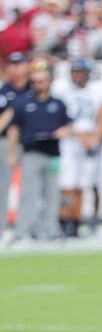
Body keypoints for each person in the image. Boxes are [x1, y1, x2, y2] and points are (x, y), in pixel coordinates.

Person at [7, 61, 71, 244]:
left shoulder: (58, 104)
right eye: (35, 82)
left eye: (42, 81)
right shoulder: (23, 104)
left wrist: (64, 132)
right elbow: (14, 129)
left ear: (49, 81)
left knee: (52, 193)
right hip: (31, 153)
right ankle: (23, 230)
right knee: (29, 193)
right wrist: (12, 152)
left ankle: (50, 229)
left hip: (53, 153)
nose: (38, 85)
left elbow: (67, 126)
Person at [54, 58, 102, 238]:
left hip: (89, 143)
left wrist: (95, 138)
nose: (77, 76)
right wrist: (76, 135)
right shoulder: (62, 91)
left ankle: (78, 221)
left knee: (84, 183)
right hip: (70, 142)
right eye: (75, 72)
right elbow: (60, 121)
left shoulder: (97, 92)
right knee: (67, 183)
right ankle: (64, 221)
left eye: (80, 72)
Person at [0, 52, 30, 240]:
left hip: (30, 142)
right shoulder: (4, 91)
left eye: (19, 64)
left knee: (30, 188)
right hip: (5, 143)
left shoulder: (33, 89)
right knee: (2, 187)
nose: (16, 68)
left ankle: (26, 228)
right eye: (12, 64)